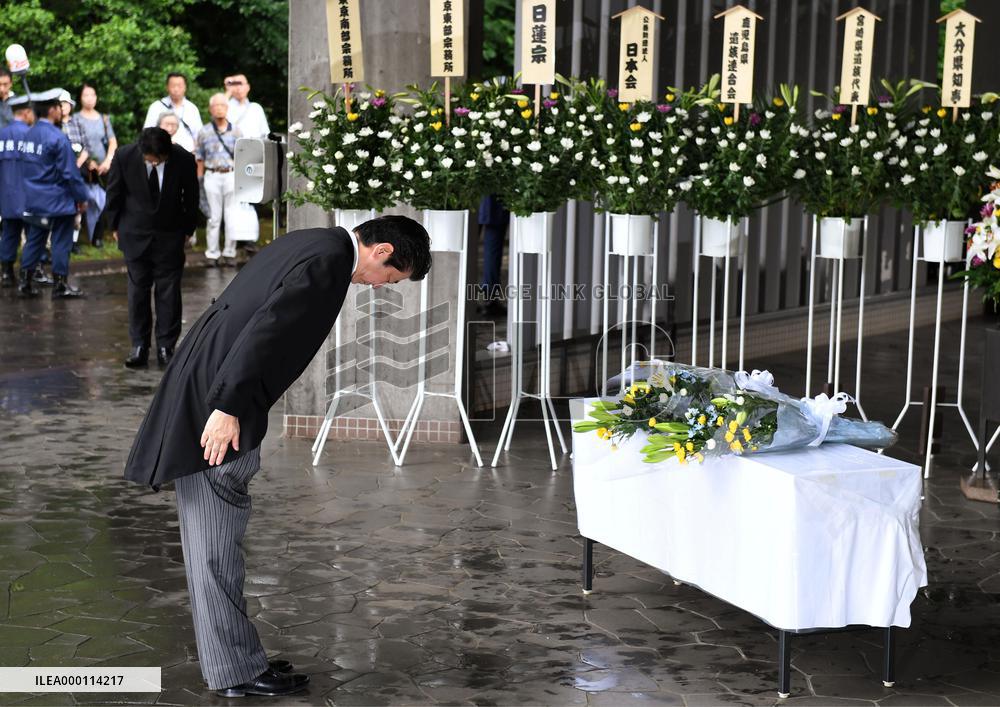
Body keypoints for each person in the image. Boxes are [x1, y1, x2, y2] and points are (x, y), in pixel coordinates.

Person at [123, 216, 432, 697]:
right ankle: (235, 673)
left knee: (215, 547)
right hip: (217, 407)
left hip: (211, 389)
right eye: (388, 280)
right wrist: (226, 408)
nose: (377, 288)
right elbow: (264, 332)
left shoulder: (313, 242)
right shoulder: (329, 261)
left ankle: (239, 660)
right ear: (382, 250)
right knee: (215, 549)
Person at [105, 127, 198, 368]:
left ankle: (167, 346)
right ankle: (139, 345)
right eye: (150, 159)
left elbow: (191, 196)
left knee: (168, 292)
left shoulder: (183, 159)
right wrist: (113, 225)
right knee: (137, 292)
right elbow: (114, 191)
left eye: (160, 159)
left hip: (170, 235)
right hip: (134, 233)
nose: (155, 163)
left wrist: (188, 229)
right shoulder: (125, 156)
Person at [20, 88, 89, 299]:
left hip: (33, 198)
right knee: (61, 241)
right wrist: (81, 197)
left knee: (35, 239)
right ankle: (60, 284)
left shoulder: (28, 134)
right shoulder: (57, 137)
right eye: (59, 107)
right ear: (52, 110)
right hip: (58, 200)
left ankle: (26, 281)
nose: (61, 111)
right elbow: (70, 172)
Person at [195, 93, 244, 265]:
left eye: (222, 105)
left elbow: (242, 157)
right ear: (210, 109)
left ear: (227, 108)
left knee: (231, 215)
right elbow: (199, 158)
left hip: (231, 174)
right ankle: (212, 254)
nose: (219, 108)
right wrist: (199, 180)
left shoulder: (237, 131)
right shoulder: (204, 131)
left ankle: (230, 252)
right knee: (213, 217)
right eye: (215, 105)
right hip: (212, 175)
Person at [71, 82, 117, 248]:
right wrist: (88, 162)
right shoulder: (75, 119)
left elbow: (112, 141)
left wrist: (107, 161)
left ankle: (98, 237)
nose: (90, 98)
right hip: (84, 166)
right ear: (80, 98)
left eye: (93, 95)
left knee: (103, 200)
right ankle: (77, 238)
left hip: (103, 167)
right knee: (83, 200)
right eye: (86, 95)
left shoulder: (104, 119)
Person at [0, 95, 34, 287]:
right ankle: (27, 274)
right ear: (27, 112)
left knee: (9, 233)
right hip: (28, 195)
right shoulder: (31, 135)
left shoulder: (2, 134)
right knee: (32, 236)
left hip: (6, 194)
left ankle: (6, 273)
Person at [143, 73, 203, 153]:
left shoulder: (192, 108)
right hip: (161, 154)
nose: (176, 89)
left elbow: (199, 135)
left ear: (185, 87)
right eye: (173, 86)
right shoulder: (156, 107)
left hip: (187, 154)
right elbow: (147, 133)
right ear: (167, 87)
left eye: (179, 86)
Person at [477, 194, 509, 317]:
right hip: (494, 198)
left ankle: (464, 297)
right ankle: (489, 299)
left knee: (466, 245)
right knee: (493, 249)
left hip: (470, 195)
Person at [224, 74, 269, 139]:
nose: (238, 88)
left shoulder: (256, 108)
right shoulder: (226, 107)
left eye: (240, 84)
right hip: (233, 147)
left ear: (248, 87)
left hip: (255, 146)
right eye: (235, 84)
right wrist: (228, 91)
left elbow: (265, 133)